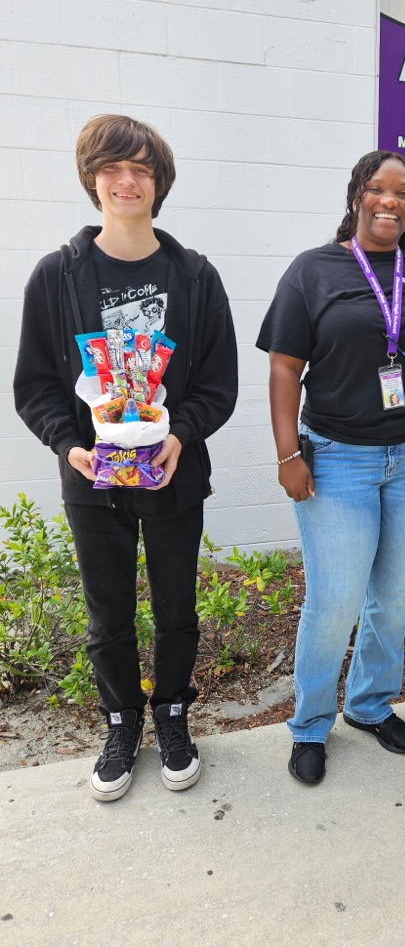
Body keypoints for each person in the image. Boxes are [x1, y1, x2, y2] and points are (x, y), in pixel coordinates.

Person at [14, 114, 238, 800]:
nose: (126, 179)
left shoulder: (195, 277)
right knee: (107, 613)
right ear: (93, 179)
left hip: (172, 472)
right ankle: (120, 722)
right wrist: (69, 446)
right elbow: (35, 386)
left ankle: (172, 714)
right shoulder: (57, 277)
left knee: (176, 608)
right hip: (93, 478)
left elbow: (218, 385)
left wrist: (180, 437)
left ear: (158, 182)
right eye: (112, 167)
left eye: (141, 168)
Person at [256, 150, 405, 784]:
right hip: (337, 460)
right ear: (356, 196)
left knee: (393, 595)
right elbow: (284, 366)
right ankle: (312, 724)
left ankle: (370, 704)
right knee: (334, 599)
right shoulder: (313, 271)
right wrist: (288, 452)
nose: (389, 201)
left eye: (402, 192)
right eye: (377, 188)